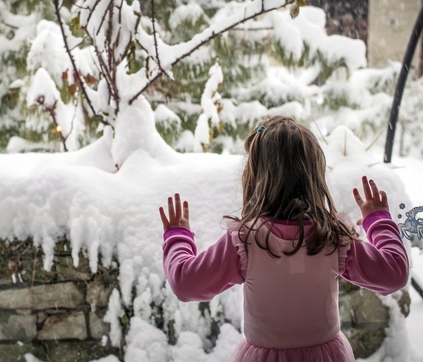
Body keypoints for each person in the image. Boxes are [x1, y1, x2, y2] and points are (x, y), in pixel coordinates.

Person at [159, 116, 409, 361]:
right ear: (313, 176)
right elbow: (394, 273)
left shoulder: (245, 242)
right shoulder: (331, 238)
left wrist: (177, 236)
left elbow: (186, 283)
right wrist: (378, 220)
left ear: (256, 178)